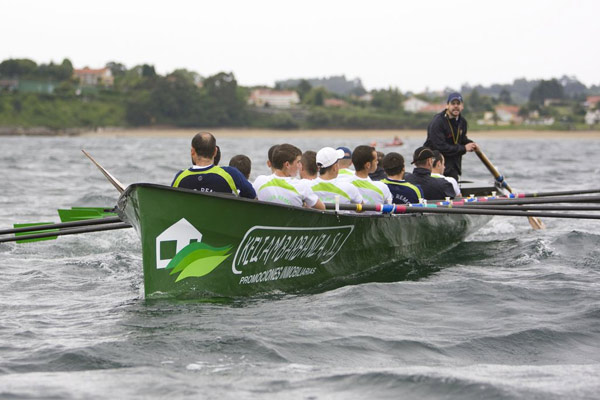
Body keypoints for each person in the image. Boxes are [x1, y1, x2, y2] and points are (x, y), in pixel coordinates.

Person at [171, 132, 256, 199]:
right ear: (215, 152)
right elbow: (252, 198)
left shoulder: (180, 177)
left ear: (192, 151)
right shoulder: (231, 174)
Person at [423, 92, 479, 180]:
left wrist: (471, 144)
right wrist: (464, 148)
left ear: (462, 106)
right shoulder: (438, 122)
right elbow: (440, 147)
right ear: (447, 106)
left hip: (453, 167)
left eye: (458, 103)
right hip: (434, 168)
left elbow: (462, 139)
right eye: (453, 104)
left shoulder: (462, 122)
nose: (456, 106)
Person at [253, 144, 325, 210]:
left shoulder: (260, 181)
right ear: (287, 165)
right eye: (298, 162)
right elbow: (322, 208)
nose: (299, 165)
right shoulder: (302, 186)